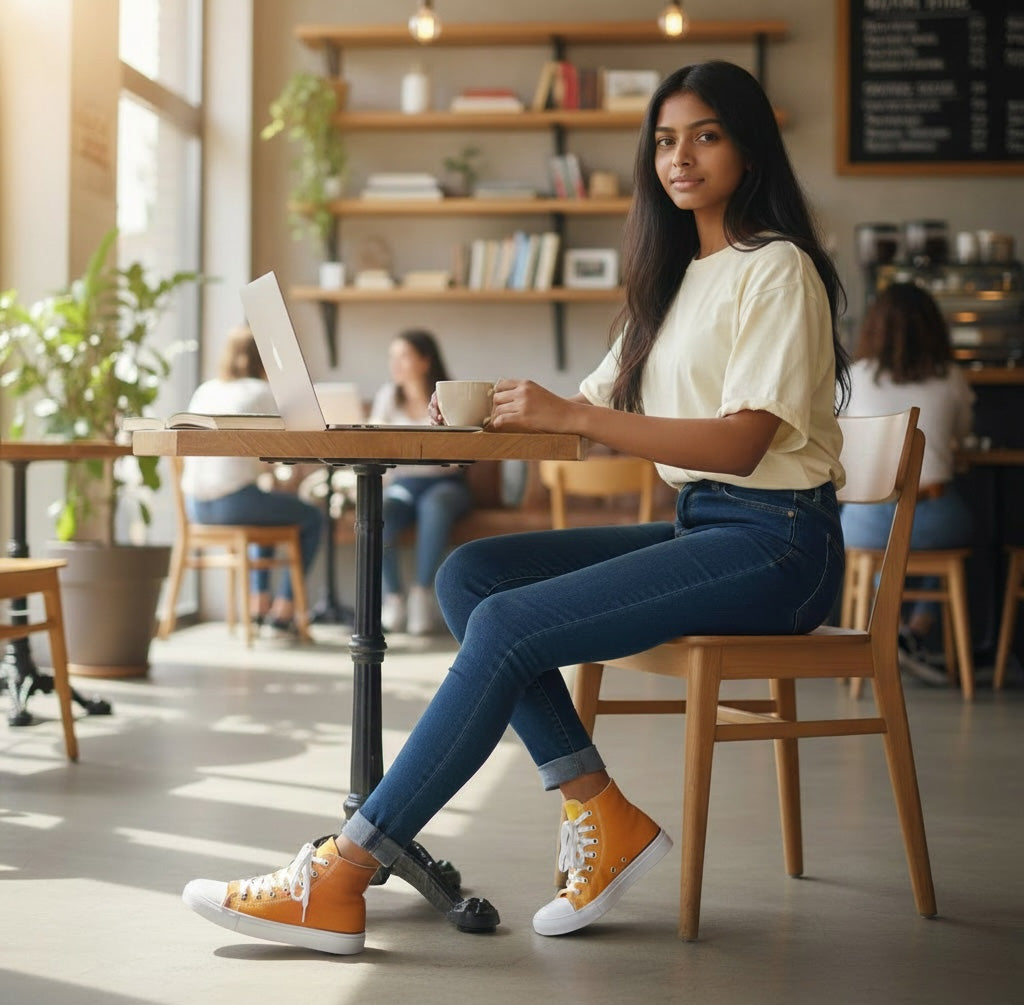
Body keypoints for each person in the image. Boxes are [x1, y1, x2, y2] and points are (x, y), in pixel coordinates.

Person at [182, 59, 850, 955]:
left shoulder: (778, 269)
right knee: (472, 574)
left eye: (706, 136)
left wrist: (576, 415)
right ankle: (599, 810)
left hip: (781, 546)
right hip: (708, 527)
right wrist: (481, 415)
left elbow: (741, 444)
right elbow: (576, 415)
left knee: (506, 623)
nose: (680, 158)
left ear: (749, 147)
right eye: (664, 140)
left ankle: (341, 874)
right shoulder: (668, 283)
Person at [841, 282, 974, 684]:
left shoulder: (853, 377)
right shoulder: (951, 377)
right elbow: (962, 435)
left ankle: (890, 631)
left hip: (865, 521)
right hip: (935, 518)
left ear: (874, 327)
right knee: (941, 536)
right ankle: (914, 629)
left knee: (888, 540)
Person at [180, 325, 324, 640]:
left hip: (196, 507)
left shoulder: (205, 390)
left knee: (266, 506)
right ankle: (283, 612)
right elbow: (284, 451)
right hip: (235, 504)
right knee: (313, 517)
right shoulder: (260, 392)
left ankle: (259, 605)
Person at [370, 330, 473, 635]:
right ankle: (394, 597)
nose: (395, 364)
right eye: (392, 356)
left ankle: (421, 594)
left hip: (447, 484)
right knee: (379, 510)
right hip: (404, 485)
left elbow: (461, 455)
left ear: (425, 361)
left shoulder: (448, 395)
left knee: (434, 505)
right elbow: (373, 444)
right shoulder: (387, 397)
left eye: (404, 356)